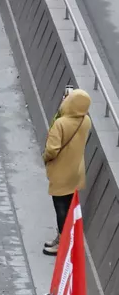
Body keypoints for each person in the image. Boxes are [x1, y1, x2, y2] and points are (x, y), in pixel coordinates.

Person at [42, 87, 91, 254]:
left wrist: (45, 158)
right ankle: (64, 238)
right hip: (76, 172)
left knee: (60, 208)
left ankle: (61, 244)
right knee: (69, 207)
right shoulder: (86, 121)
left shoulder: (60, 124)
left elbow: (52, 150)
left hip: (61, 172)